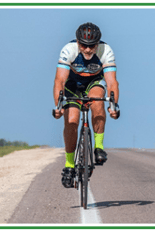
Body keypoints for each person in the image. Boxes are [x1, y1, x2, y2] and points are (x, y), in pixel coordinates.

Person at [53, 22, 120, 188]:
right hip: (72, 85)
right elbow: (60, 80)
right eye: (84, 45)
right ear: (77, 42)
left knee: (97, 101)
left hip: (94, 83)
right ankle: (69, 165)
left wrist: (114, 105)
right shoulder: (68, 50)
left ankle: (98, 147)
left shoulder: (106, 51)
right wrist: (58, 106)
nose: (88, 50)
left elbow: (112, 82)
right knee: (72, 120)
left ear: (98, 44)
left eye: (92, 46)